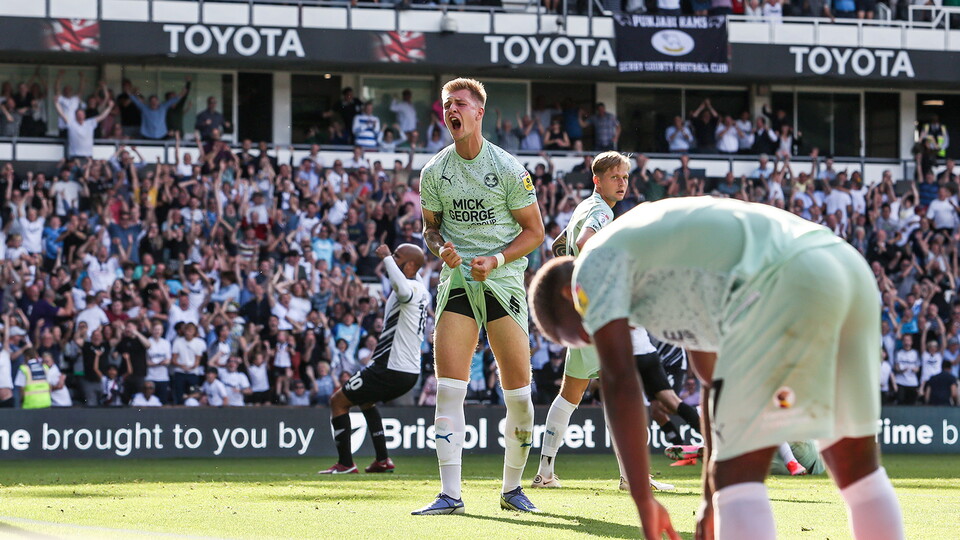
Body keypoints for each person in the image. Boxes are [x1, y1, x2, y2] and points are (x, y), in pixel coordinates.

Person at [528, 197, 904, 540]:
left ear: (569, 294)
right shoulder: (663, 277)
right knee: (857, 471)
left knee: (738, 480)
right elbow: (714, 382)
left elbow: (620, 382)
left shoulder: (591, 266)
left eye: (583, 332)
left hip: (782, 283)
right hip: (847, 270)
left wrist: (643, 500)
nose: (596, 338)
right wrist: (708, 497)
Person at [412, 78, 544, 516]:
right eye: (447, 104)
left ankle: (512, 489)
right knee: (448, 390)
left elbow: (536, 232)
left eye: (461, 104)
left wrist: (498, 258)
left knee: (519, 396)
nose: (453, 110)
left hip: (502, 282)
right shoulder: (434, 172)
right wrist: (439, 248)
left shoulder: (507, 169)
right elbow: (430, 228)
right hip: (457, 283)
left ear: (479, 112)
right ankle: (450, 494)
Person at [532, 151, 643, 488]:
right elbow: (584, 242)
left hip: (575, 316)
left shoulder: (583, 207)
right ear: (598, 179)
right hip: (593, 314)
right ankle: (632, 478)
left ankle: (545, 473)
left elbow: (560, 245)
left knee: (569, 395)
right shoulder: (599, 212)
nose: (622, 183)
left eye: (625, 177)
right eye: (615, 177)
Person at [320, 243, 429, 474]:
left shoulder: (410, 288)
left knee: (338, 401)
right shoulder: (421, 287)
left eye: (397, 256)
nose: (391, 258)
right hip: (406, 371)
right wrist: (395, 260)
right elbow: (410, 274)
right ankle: (382, 460)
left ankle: (346, 463)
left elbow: (402, 290)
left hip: (390, 367)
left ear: (409, 265)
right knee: (366, 401)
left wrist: (387, 258)